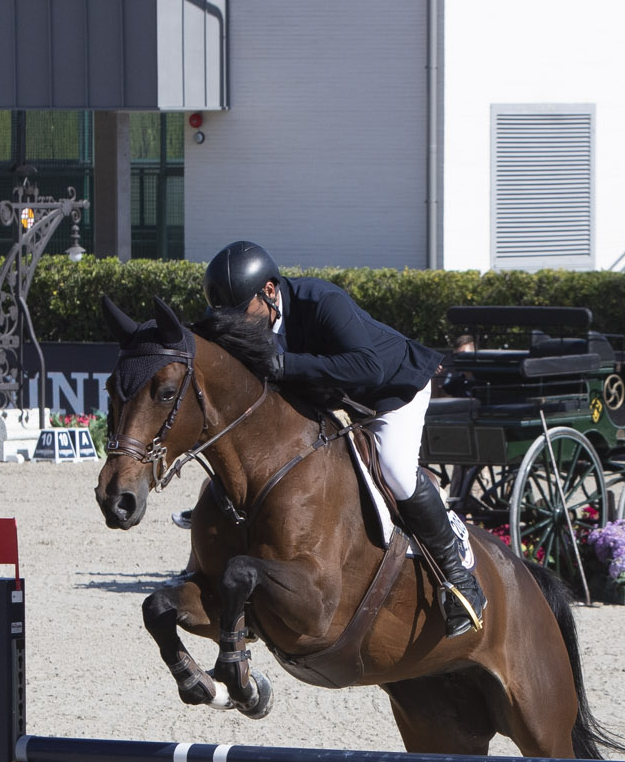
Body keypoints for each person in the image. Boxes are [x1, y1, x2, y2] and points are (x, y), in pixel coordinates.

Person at [201, 241, 487, 637]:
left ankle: (460, 581)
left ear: (269, 291)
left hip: (393, 391)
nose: (238, 325)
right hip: (343, 406)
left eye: (241, 313)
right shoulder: (255, 313)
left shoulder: (321, 300)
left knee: (396, 471)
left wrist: (286, 364)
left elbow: (367, 368)